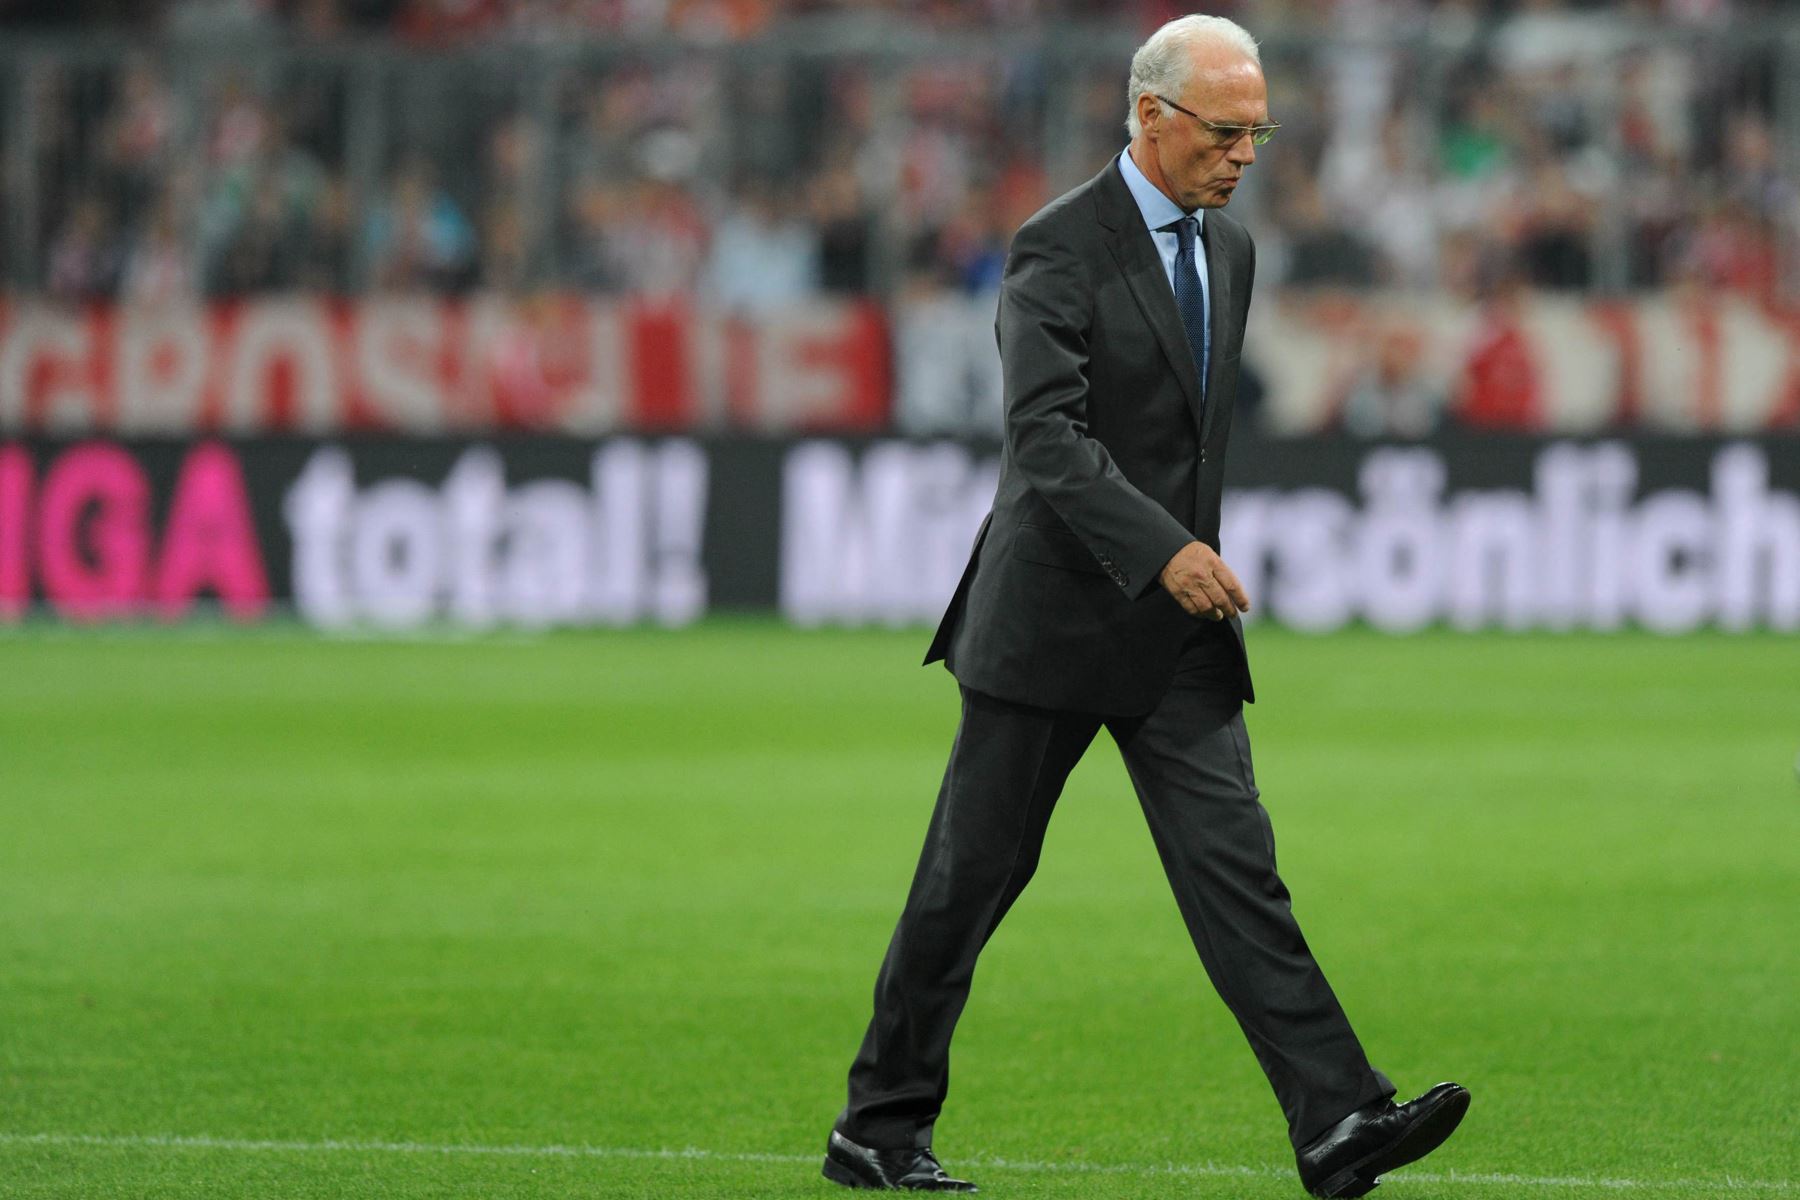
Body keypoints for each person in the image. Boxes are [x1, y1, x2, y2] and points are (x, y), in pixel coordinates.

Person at [821, 16, 1470, 1199]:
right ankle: (879, 1125)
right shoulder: (1054, 247)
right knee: (971, 882)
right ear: (1150, 116)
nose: (1244, 155)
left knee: (1238, 870)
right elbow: (1045, 442)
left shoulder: (1232, 252)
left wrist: (1181, 565)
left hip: (1171, 630)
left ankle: (1338, 1122)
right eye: (1225, 132)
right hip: (1053, 619)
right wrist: (1166, 548)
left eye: (1257, 134)